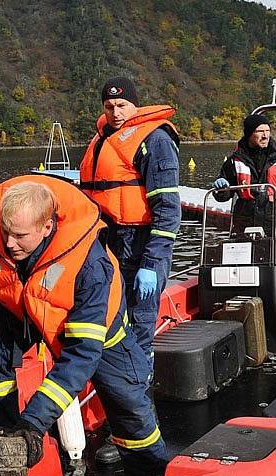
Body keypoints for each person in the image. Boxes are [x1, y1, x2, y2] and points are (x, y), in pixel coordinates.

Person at [0, 176, 168, 476]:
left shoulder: (90, 265)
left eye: (19, 236)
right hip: (28, 315)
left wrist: (35, 421)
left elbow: (81, 356)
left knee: (130, 408)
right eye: (6, 232)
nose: (9, 244)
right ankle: (2, 440)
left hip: (100, 338)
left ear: (47, 227)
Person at [79, 76, 181, 377]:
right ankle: (113, 378)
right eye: (109, 106)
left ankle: (139, 384)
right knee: (110, 313)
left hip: (141, 242)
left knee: (140, 320)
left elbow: (167, 208)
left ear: (134, 105)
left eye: (122, 105)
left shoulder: (156, 140)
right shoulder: (101, 140)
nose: (116, 112)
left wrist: (152, 262)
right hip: (106, 241)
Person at [212, 114, 276, 240]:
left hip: (275, 223)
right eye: (260, 131)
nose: (265, 135)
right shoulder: (235, 161)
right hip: (243, 226)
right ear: (249, 134)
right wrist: (221, 188)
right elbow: (223, 197)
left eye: (268, 131)